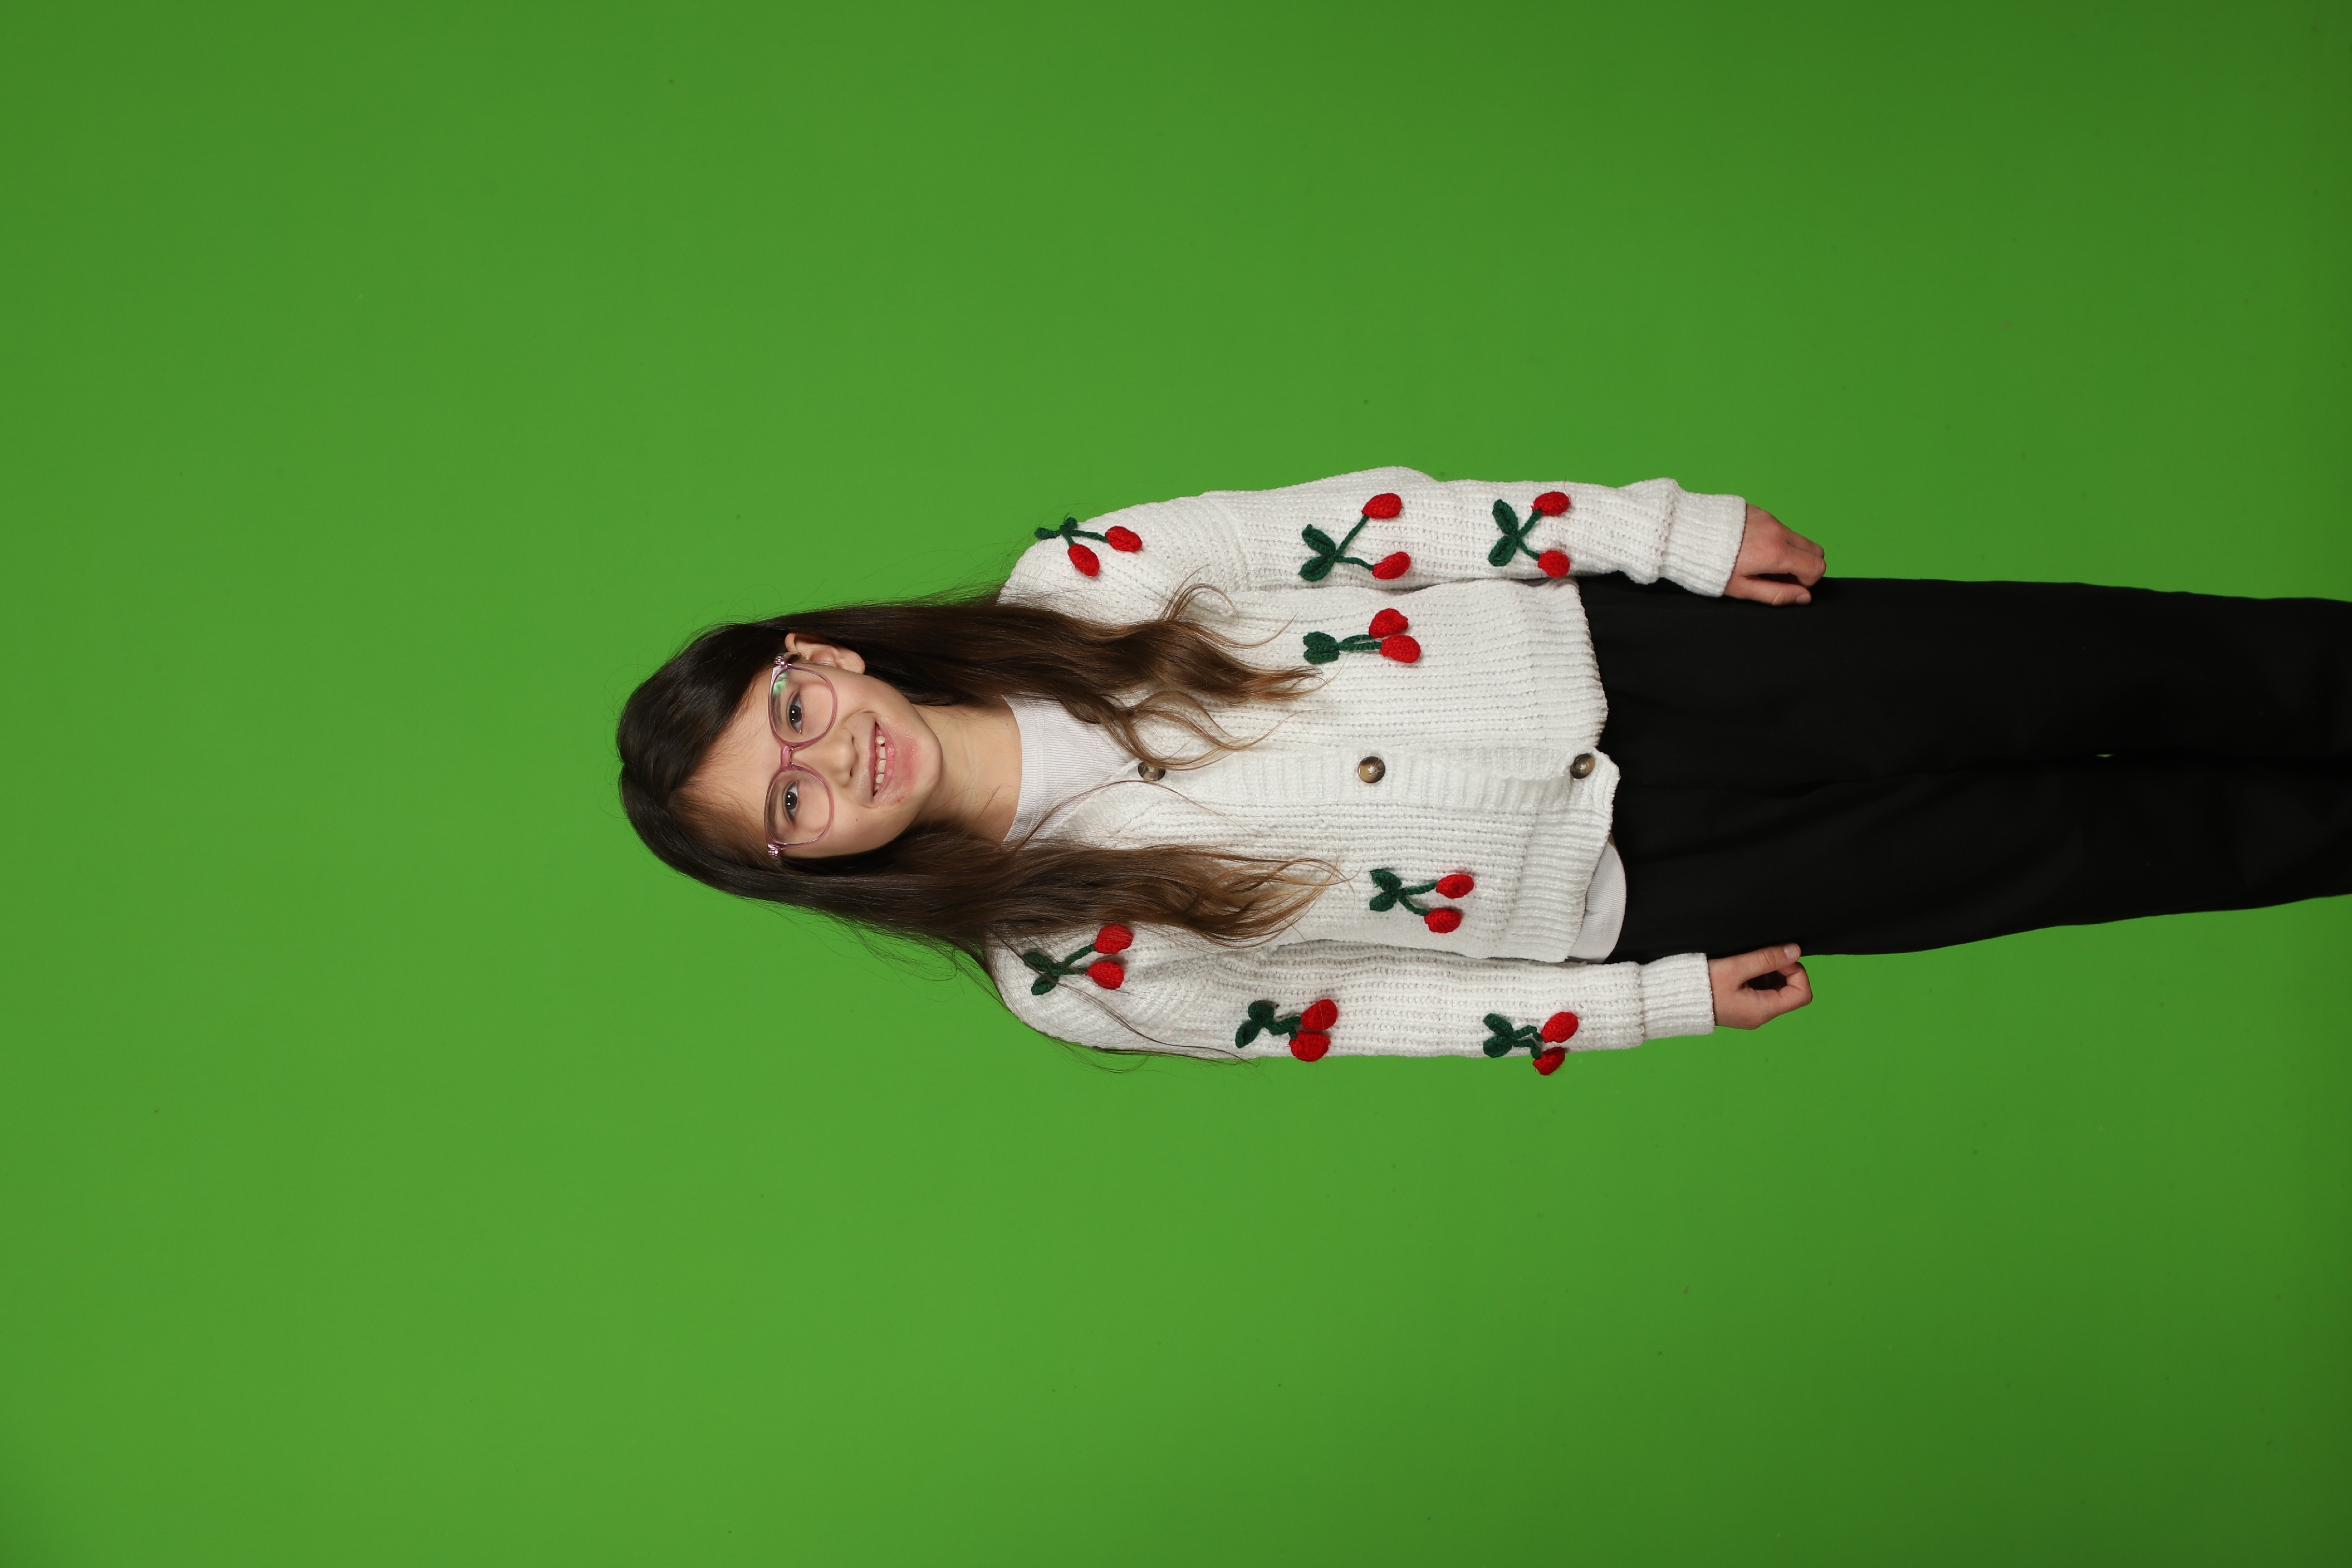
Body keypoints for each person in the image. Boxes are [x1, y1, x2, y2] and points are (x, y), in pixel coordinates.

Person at [617, 468, 2352, 1071]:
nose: (829, 762)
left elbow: (1392, 523)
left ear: (818, 654)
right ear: (806, 865)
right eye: (790, 807)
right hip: (1638, 895)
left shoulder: (1089, 578)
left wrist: (1662, 536)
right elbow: (1374, 1012)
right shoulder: (1071, 972)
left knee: (2103, 661)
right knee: (2090, 848)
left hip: (1647, 662)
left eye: (790, 715)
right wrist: (1650, 1003)